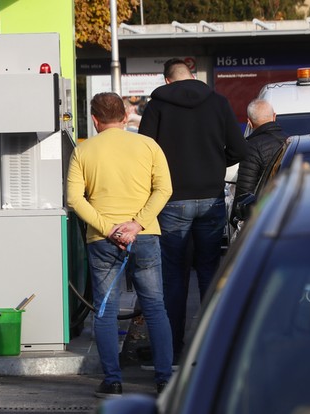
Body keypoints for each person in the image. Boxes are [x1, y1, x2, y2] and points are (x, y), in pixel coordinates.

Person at [138, 58, 247, 361]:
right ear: (192, 76)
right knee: (210, 271)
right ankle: (212, 346)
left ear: (168, 80)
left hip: (171, 200)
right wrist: (214, 164)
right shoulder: (218, 102)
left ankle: (172, 350)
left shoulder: (157, 105)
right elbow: (240, 149)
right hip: (211, 198)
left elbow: (144, 152)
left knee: (174, 275)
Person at [67, 92, 174, 397]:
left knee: (105, 310)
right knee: (154, 307)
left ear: (95, 119)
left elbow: (75, 198)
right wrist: (137, 223)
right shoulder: (148, 145)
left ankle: (112, 380)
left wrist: (108, 228)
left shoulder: (83, 152)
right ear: (126, 117)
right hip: (145, 235)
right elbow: (164, 188)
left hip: (102, 240)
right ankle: (164, 378)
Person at [235, 98, 287, 198]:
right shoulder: (290, 141)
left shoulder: (251, 147)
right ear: (274, 116)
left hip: (264, 209)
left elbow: (244, 192)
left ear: (249, 122)